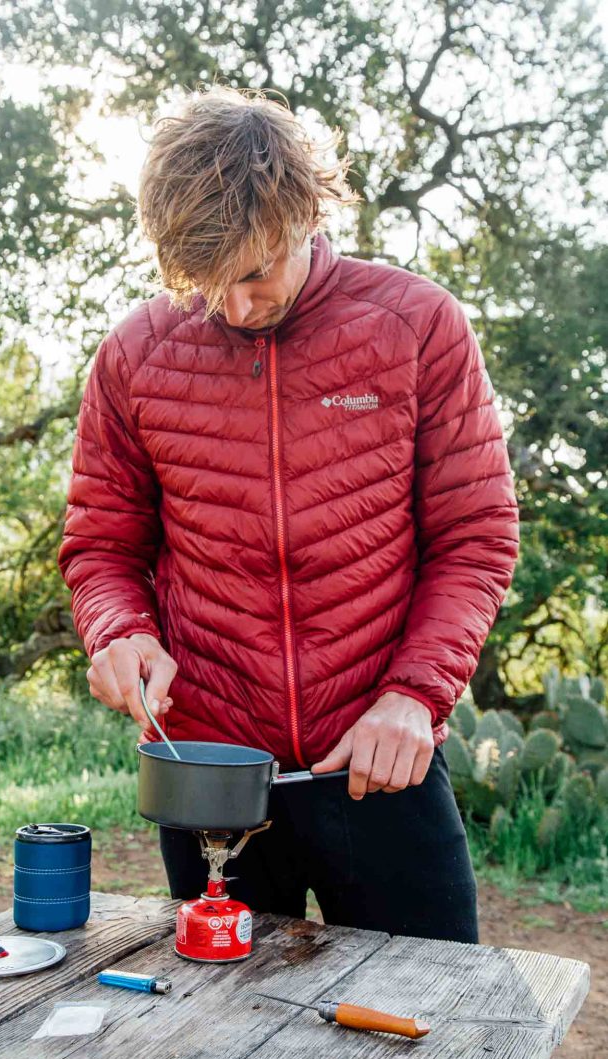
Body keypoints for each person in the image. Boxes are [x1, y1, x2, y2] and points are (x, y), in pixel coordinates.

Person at [58, 86, 520, 944]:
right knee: (218, 1037)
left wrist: (416, 695)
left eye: (255, 272)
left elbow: (476, 539)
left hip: (380, 761)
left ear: (307, 213)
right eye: (207, 283)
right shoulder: (133, 354)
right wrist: (118, 629)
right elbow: (102, 545)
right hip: (207, 774)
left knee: (429, 1038)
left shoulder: (420, 326)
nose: (234, 307)